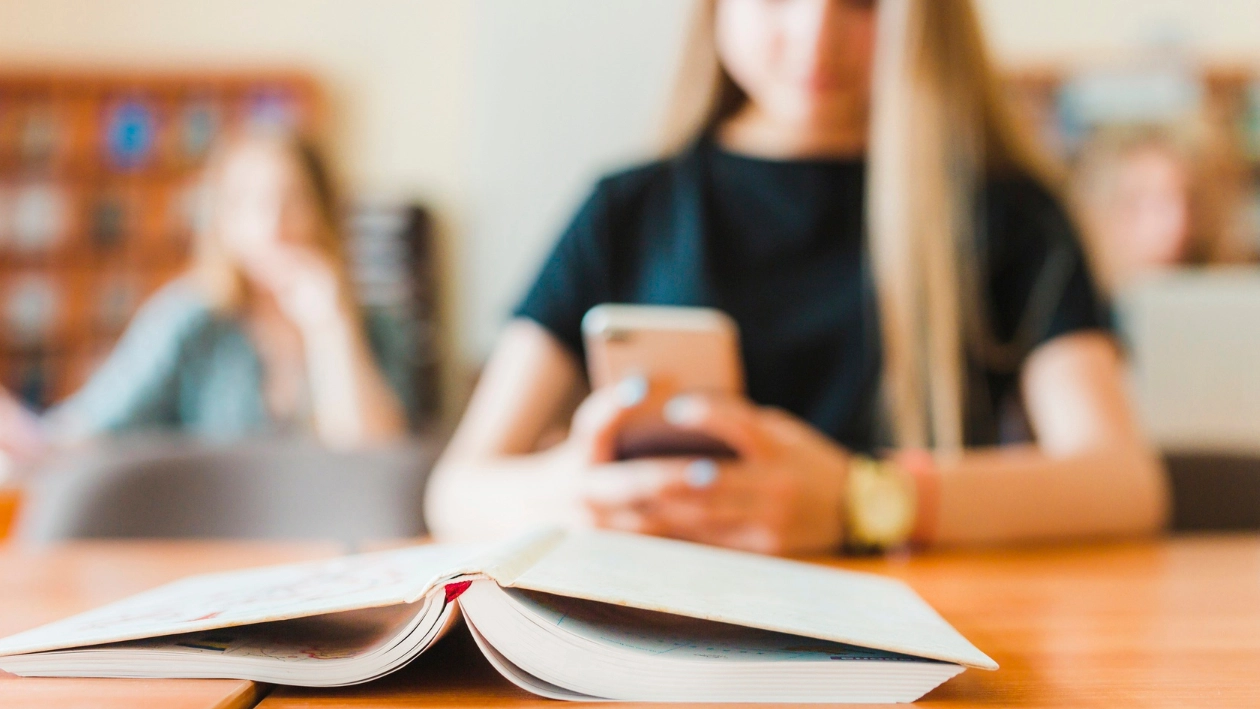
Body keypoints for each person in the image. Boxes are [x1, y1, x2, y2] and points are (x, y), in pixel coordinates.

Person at [425, 0, 1169, 555]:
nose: (815, 33)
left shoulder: (1008, 215)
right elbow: (457, 491)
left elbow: (1123, 482)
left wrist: (862, 498)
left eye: (863, 3)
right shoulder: (627, 207)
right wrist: (571, 494)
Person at [0, 131, 410, 456]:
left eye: (293, 199)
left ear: (324, 210)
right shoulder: (190, 317)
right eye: (249, 203)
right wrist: (30, 438)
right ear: (223, 221)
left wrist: (332, 327)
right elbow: (93, 425)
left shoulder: (374, 327)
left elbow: (371, 458)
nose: (272, 225)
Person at [1070, 124, 1252, 294]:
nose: (1175, 223)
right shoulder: (1071, 306)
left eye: (1189, 201)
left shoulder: (1231, 290)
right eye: (1147, 203)